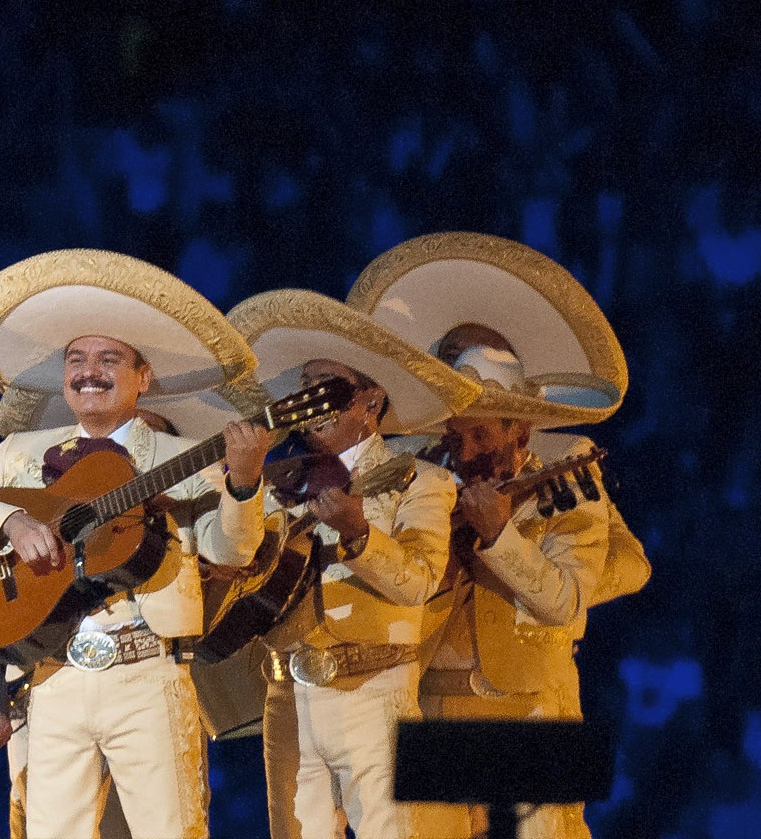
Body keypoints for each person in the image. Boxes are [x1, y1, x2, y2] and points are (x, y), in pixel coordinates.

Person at [0, 249, 269, 839]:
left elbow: (231, 551)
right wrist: (11, 526)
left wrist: (244, 482)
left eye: (110, 359)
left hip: (149, 675)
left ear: (143, 377)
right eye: (77, 359)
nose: (90, 371)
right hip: (54, 675)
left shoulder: (177, 457)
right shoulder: (24, 453)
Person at [348, 233, 652, 838]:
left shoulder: (567, 466)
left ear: (520, 428)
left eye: (482, 436)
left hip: (534, 698)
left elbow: (573, 594)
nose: (467, 453)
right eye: (456, 436)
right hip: (429, 696)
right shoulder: (420, 469)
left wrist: (499, 536)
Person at [227, 288, 482, 839]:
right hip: (288, 698)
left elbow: (417, 582)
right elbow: (236, 563)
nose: (313, 400)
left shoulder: (423, 480)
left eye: (330, 388)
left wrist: (360, 534)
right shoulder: (275, 483)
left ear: (371, 400)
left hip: (375, 692)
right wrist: (243, 483)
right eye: (305, 389)